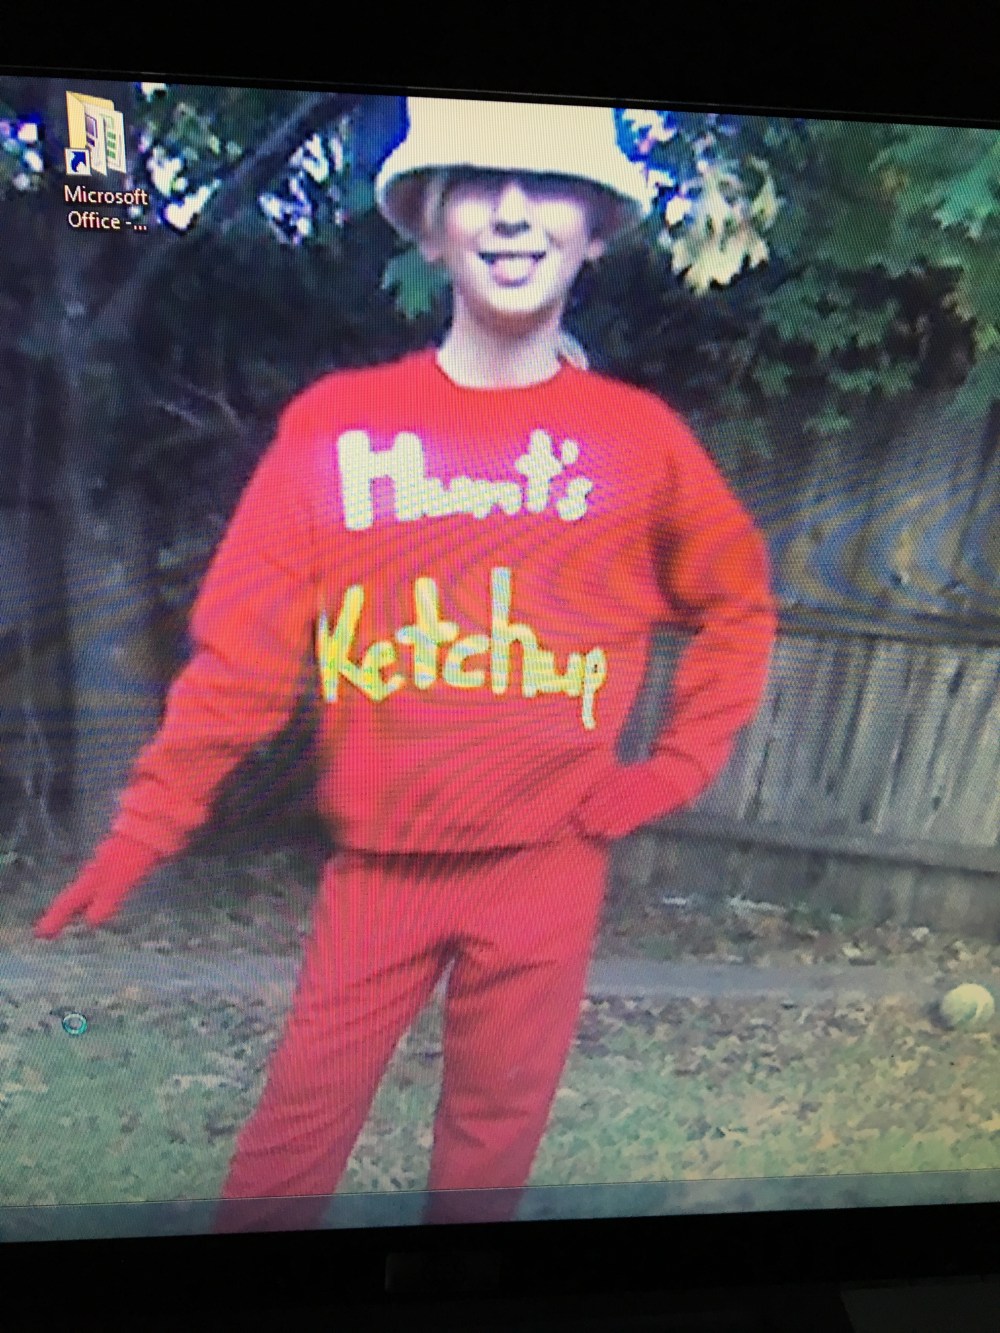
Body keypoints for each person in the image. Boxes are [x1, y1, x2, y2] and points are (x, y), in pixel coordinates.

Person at [35, 96, 777, 1230]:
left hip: (546, 869)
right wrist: (150, 822)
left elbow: (736, 603)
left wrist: (670, 770)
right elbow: (242, 657)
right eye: (478, 183)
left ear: (597, 227)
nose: (515, 213)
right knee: (288, 1151)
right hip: (378, 875)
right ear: (429, 223)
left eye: (550, 186)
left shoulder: (639, 443)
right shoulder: (340, 426)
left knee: (489, 1152)